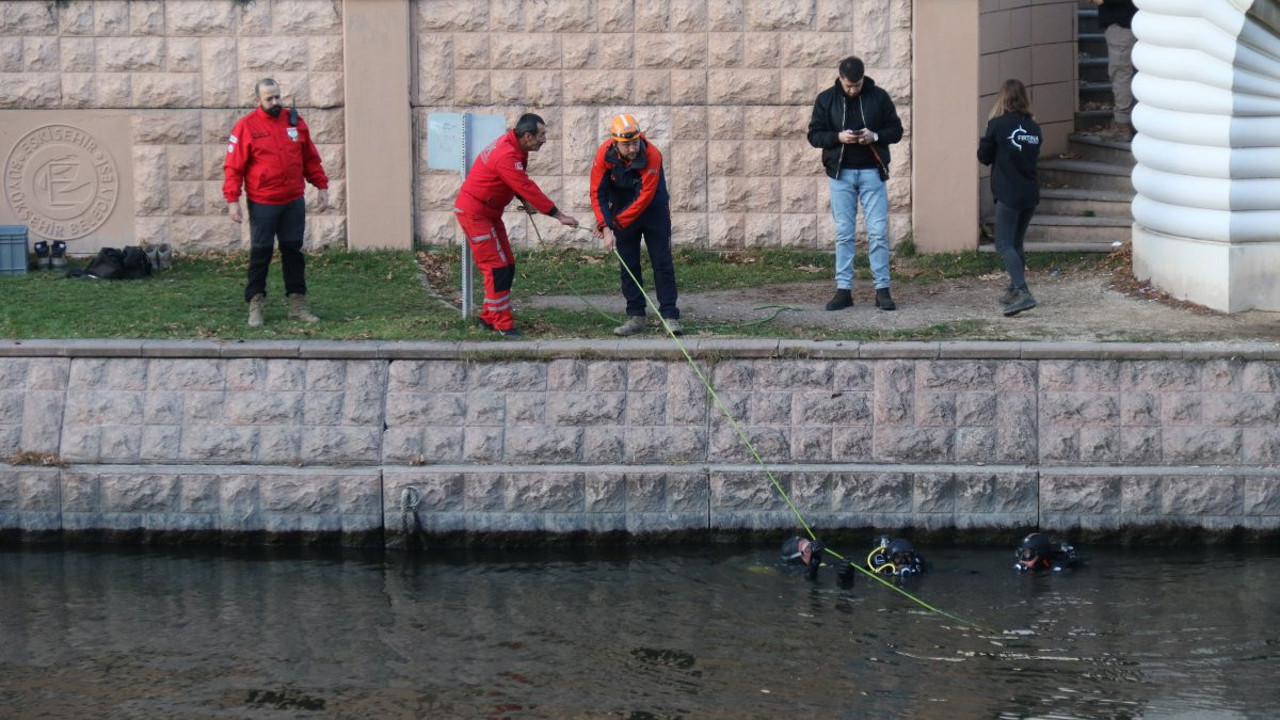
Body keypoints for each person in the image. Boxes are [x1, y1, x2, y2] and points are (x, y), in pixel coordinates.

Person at [453, 113, 579, 339]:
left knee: (507, 265)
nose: (544, 140)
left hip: (488, 213)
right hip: (476, 214)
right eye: (542, 135)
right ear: (528, 136)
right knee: (497, 267)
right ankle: (503, 324)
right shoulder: (507, 154)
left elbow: (513, 182)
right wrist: (558, 215)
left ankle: (489, 317)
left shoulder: (515, 148)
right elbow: (525, 185)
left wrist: (524, 200)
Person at [224, 78, 329, 328]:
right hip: (263, 202)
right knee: (261, 253)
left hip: (293, 200)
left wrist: (321, 185)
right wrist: (232, 200)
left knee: (293, 252)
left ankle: (297, 305)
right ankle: (256, 305)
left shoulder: (295, 122)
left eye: (278, 97)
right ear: (257, 100)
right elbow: (233, 167)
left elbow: (310, 158)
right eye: (269, 98)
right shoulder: (246, 127)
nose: (275, 102)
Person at [808, 55, 904, 312]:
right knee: (844, 234)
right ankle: (844, 290)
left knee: (877, 232)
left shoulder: (879, 97)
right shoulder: (826, 100)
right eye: (849, 85)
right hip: (841, 174)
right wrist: (838, 137)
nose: (853, 90)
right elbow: (814, 135)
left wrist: (875, 135)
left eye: (857, 85)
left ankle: (882, 289)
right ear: (840, 78)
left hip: (872, 172)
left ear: (863, 79)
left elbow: (896, 130)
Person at [590, 114, 682, 336]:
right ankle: (636, 317)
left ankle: (669, 316)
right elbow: (597, 192)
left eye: (635, 142)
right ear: (615, 143)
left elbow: (645, 197)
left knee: (662, 262)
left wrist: (615, 225)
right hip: (622, 209)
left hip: (653, 210)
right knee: (628, 265)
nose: (632, 149)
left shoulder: (652, 154)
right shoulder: (604, 154)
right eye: (626, 145)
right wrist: (605, 226)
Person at [978, 78, 1042, 317]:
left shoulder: (997, 124)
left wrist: (990, 143)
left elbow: (984, 156)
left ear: (1002, 98)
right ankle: (1014, 288)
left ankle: (1023, 292)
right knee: (1016, 243)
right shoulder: (1034, 128)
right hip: (1030, 193)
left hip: (1008, 193)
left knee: (1004, 244)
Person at [1091, 0, 1138, 140]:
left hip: (1122, 22)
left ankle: (1122, 125)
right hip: (1127, 21)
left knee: (1120, 73)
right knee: (1122, 73)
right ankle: (1124, 121)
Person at [781, 536, 856, 585]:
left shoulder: (828, 565)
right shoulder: (797, 575)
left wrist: (847, 573)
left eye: (810, 544)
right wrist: (813, 564)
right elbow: (810, 583)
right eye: (807, 549)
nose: (812, 549)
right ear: (798, 560)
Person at [1013, 532, 1080, 572]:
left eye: (1029, 555)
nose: (1022, 561)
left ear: (1041, 557)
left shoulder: (1058, 567)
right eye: (1020, 553)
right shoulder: (1024, 565)